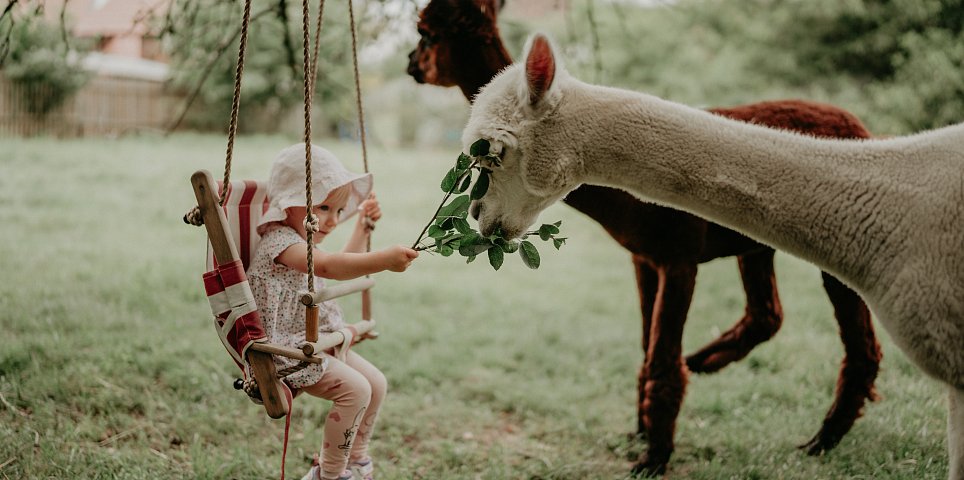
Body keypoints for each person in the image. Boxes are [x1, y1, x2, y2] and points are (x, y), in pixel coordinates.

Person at [247, 143, 418, 480]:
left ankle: (356, 458)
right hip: (288, 349)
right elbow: (328, 267)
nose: (333, 220)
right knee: (356, 390)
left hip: (316, 340)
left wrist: (361, 229)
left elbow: (339, 262)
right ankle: (330, 473)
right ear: (289, 202)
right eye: (324, 207)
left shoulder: (301, 241)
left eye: (339, 211)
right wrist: (383, 260)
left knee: (376, 383)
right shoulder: (280, 242)